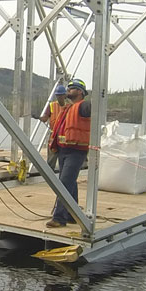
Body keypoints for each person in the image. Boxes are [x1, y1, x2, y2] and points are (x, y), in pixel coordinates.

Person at [46, 78, 91, 228]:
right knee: (70, 182)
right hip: (64, 150)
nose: (68, 90)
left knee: (64, 184)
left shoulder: (83, 106)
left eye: (71, 88)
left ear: (79, 92)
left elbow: (91, 110)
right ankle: (72, 214)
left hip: (76, 151)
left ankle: (59, 218)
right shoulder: (67, 108)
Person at [38, 82, 70, 172]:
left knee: (63, 158)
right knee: (52, 157)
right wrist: (39, 117)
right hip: (54, 135)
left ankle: (63, 175)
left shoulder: (70, 106)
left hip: (65, 136)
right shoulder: (52, 105)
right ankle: (50, 173)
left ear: (65, 95)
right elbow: (45, 118)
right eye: (57, 95)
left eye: (61, 95)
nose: (59, 97)